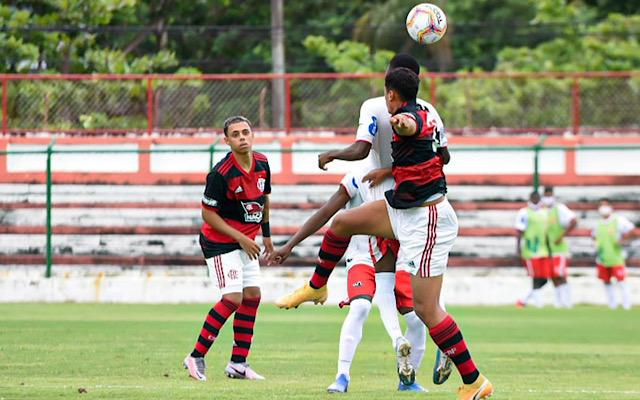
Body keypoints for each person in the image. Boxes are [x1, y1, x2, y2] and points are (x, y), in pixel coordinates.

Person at [275, 67, 492, 399]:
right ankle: (317, 287)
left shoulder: (407, 118)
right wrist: (395, 167)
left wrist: (398, 129)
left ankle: (475, 381)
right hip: (403, 209)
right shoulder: (426, 113)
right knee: (343, 224)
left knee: (427, 309)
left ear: (391, 94)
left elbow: (405, 129)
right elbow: (439, 155)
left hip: (426, 219)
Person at [269, 165, 435, 392]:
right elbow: (327, 213)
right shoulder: (358, 176)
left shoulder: (404, 173)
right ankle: (342, 377)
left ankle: (408, 379)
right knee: (360, 308)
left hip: (399, 258)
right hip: (362, 257)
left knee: (416, 318)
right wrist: (290, 245)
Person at [183, 116, 273, 381]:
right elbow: (208, 215)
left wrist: (266, 235)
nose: (242, 137)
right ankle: (196, 356)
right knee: (233, 298)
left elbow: (265, 198)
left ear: (253, 135)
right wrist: (242, 239)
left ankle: (238, 364)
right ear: (227, 141)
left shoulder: (263, 163)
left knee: (253, 296)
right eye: (236, 134)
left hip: (247, 242)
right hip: (220, 243)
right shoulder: (221, 173)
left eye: (246, 132)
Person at [593, 199, 636, 310]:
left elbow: (632, 230)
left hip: (616, 258)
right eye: (601, 205)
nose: (603, 208)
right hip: (602, 258)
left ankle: (627, 305)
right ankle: (612, 305)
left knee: (621, 282)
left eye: (605, 205)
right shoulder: (598, 224)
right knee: (606, 283)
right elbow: (594, 237)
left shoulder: (618, 220)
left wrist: (623, 240)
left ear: (610, 207)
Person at [542, 186, 577, 308]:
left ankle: (567, 302)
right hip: (547, 250)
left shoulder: (559, 209)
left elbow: (573, 221)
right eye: (546, 195)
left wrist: (561, 236)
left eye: (549, 195)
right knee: (553, 276)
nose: (547, 198)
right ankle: (558, 302)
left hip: (558, 249)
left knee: (561, 275)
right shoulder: (542, 210)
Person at [515, 191, 551, 308]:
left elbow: (547, 233)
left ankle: (523, 300)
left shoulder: (545, 212)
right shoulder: (524, 213)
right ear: (530, 198)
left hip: (543, 250)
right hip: (531, 250)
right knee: (535, 278)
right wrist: (518, 248)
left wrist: (550, 248)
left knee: (545, 279)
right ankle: (538, 304)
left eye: (537, 198)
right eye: (533, 198)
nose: (535, 200)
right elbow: (519, 231)